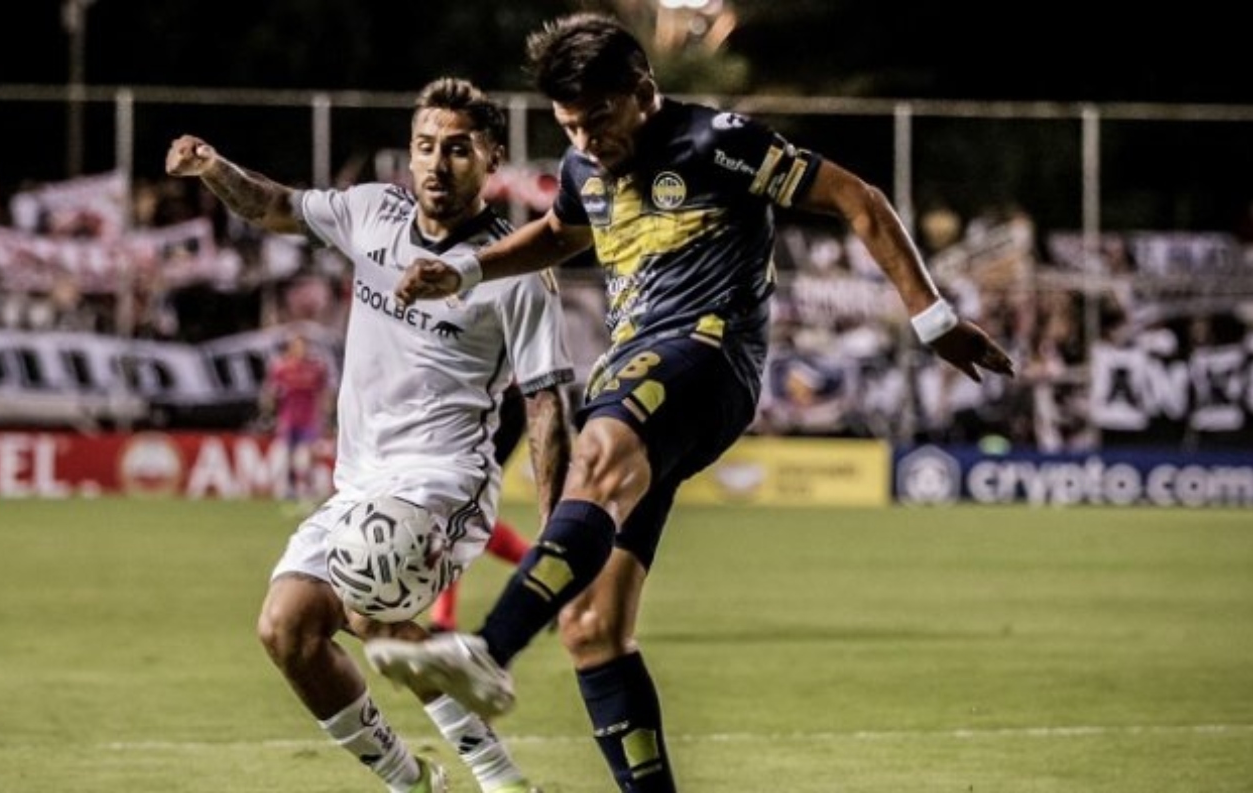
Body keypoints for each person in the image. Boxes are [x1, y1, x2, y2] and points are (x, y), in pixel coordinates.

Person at [365, 13, 1016, 792]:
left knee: (598, 451)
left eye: (599, 118)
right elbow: (560, 232)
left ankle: (489, 649)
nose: (586, 140)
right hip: (636, 372)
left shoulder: (715, 142)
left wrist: (933, 318)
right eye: (570, 126)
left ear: (643, 90)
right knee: (592, 625)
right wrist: (468, 269)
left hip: (707, 356)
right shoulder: (582, 168)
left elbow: (858, 197)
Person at [165, 76, 574, 793]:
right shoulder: (371, 214)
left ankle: (497, 776)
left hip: (446, 480)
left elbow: (545, 406)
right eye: (425, 146)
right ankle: (414, 780)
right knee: (287, 626)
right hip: (361, 481)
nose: (437, 164)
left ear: (490, 158)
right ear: (409, 154)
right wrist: (213, 168)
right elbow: (276, 206)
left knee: (366, 598)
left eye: (458, 149)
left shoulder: (516, 271)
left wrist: (557, 537)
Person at [427, 383, 535, 633]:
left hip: (495, 406)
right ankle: (547, 571)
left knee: (456, 513)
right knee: (461, 515)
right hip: (477, 406)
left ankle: (444, 619)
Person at [261, 334, 332, 501]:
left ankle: (308, 487)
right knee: (288, 455)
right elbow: (270, 391)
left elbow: (324, 392)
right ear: (291, 349)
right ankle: (289, 487)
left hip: (309, 419)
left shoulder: (316, 368)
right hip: (288, 418)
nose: (302, 350)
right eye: (298, 346)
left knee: (307, 455)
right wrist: (268, 409)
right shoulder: (281, 368)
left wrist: (327, 414)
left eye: (304, 346)